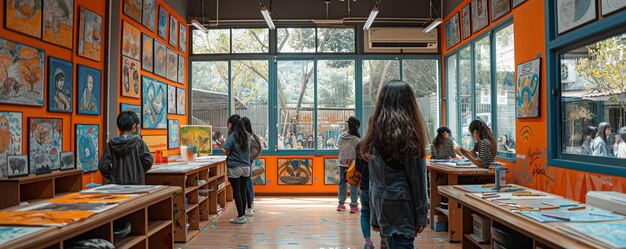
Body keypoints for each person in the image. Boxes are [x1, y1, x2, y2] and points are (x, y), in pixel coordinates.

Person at [360, 80, 428, 248]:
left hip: (381, 203)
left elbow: (373, 180)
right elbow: (418, 180)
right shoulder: (411, 134)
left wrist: (374, 215)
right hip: (403, 203)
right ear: (409, 102)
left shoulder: (374, 132)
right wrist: (421, 215)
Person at [98, 111, 153, 185]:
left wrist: (112, 176)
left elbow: (102, 165)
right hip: (137, 184)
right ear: (134, 126)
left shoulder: (111, 144)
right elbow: (149, 160)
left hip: (116, 184)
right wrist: (139, 172)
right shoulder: (139, 142)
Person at [216, 115, 251, 224]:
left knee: (237, 193)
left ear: (231, 124)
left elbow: (227, 152)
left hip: (235, 167)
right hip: (246, 167)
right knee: (243, 191)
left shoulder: (232, 136)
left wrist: (220, 145)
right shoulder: (247, 135)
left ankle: (240, 217)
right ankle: (243, 216)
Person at [355, 142, 388, 249]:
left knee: (365, 213)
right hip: (380, 187)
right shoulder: (382, 145)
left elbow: (357, 168)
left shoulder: (360, 145)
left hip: (364, 186)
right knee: (382, 214)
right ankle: (384, 240)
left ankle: (368, 243)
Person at [337, 116, 361, 213]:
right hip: (353, 164)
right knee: (353, 183)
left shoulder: (341, 136)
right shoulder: (357, 139)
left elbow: (338, 147)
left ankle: (341, 204)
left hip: (342, 163)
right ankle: (353, 205)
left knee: (342, 182)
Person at [241, 117, 261, 217]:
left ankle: (251, 203)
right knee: (246, 181)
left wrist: (251, 159)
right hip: (245, 160)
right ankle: (248, 203)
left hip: (247, 160)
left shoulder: (251, 136)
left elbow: (258, 148)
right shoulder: (248, 135)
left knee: (248, 181)